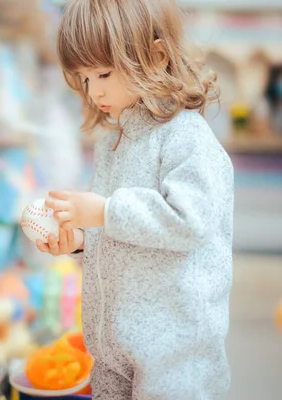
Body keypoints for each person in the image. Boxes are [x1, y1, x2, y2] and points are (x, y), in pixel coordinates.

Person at [35, 1, 234, 399]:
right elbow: (129, 236)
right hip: (112, 348)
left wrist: (104, 211)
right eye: (85, 77)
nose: (95, 90)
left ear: (156, 58)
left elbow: (189, 219)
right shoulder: (113, 145)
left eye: (104, 73)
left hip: (175, 354)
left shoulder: (186, 137)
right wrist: (81, 241)